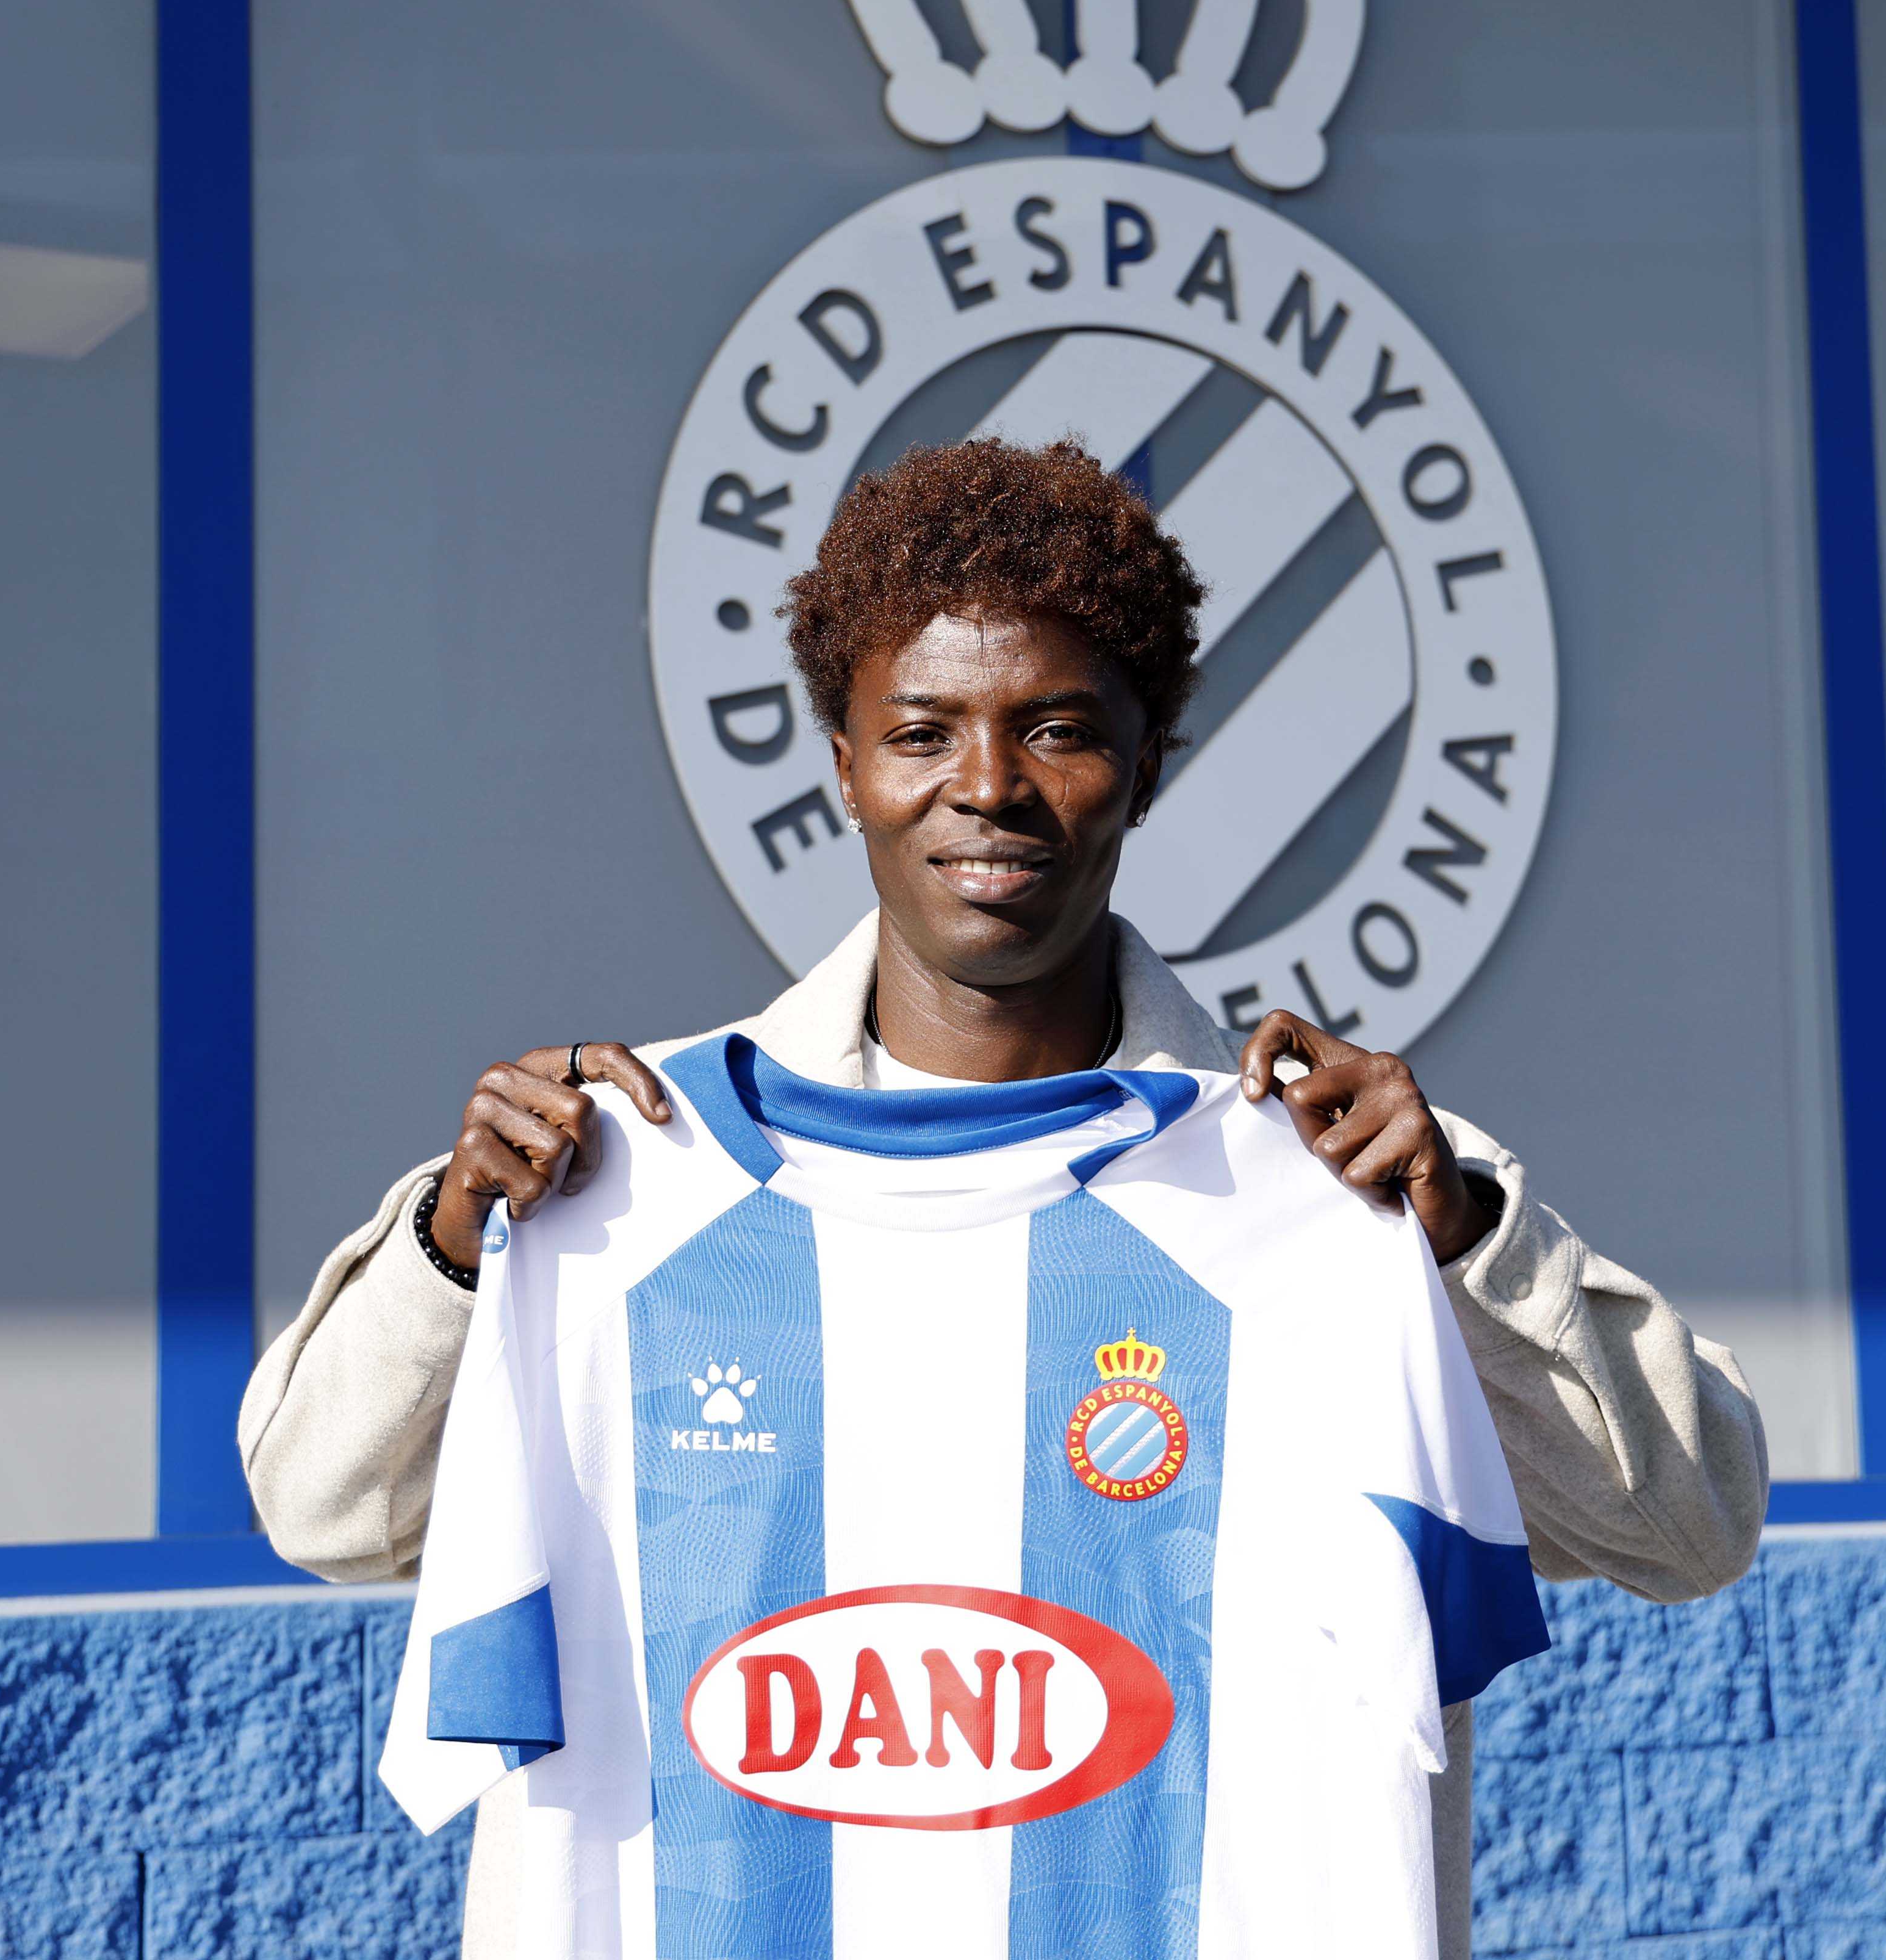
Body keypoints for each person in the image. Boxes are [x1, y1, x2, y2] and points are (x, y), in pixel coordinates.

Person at [241, 436, 1766, 1960]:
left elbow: (1691, 1525)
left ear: (1144, 767)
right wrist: (457, 1247)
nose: (986, 786)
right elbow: (319, 1508)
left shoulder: (1337, 1187)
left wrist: (1466, 1245)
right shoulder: (619, 1179)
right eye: (921, 731)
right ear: (844, 764)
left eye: (1056, 729)